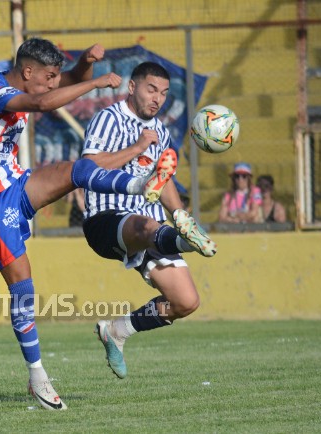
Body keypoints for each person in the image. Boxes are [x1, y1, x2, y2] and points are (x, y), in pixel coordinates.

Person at [0, 38, 177, 410]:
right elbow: (42, 102)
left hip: (13, 180)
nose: (52, 82)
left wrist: (85, 66)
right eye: (48, 77)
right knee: (23, 285)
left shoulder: (33, 81)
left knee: (76, 170)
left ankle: (137, 184)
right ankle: (37, 375)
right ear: (28, 72)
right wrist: (95, 83)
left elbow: (66, 81)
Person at [79, 61, 217, 380]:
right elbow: (88, 167)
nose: (157, 98)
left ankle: (117, 331)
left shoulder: (162, 131)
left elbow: (163, 178)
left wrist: (180, 213)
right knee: (146, 227)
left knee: (185, 302)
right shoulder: (108, 119)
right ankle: (183, 241)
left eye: (164, 93)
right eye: (151, 89)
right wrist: (139, 147)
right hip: (107, 217)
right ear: (132, 87)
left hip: (151, 224)